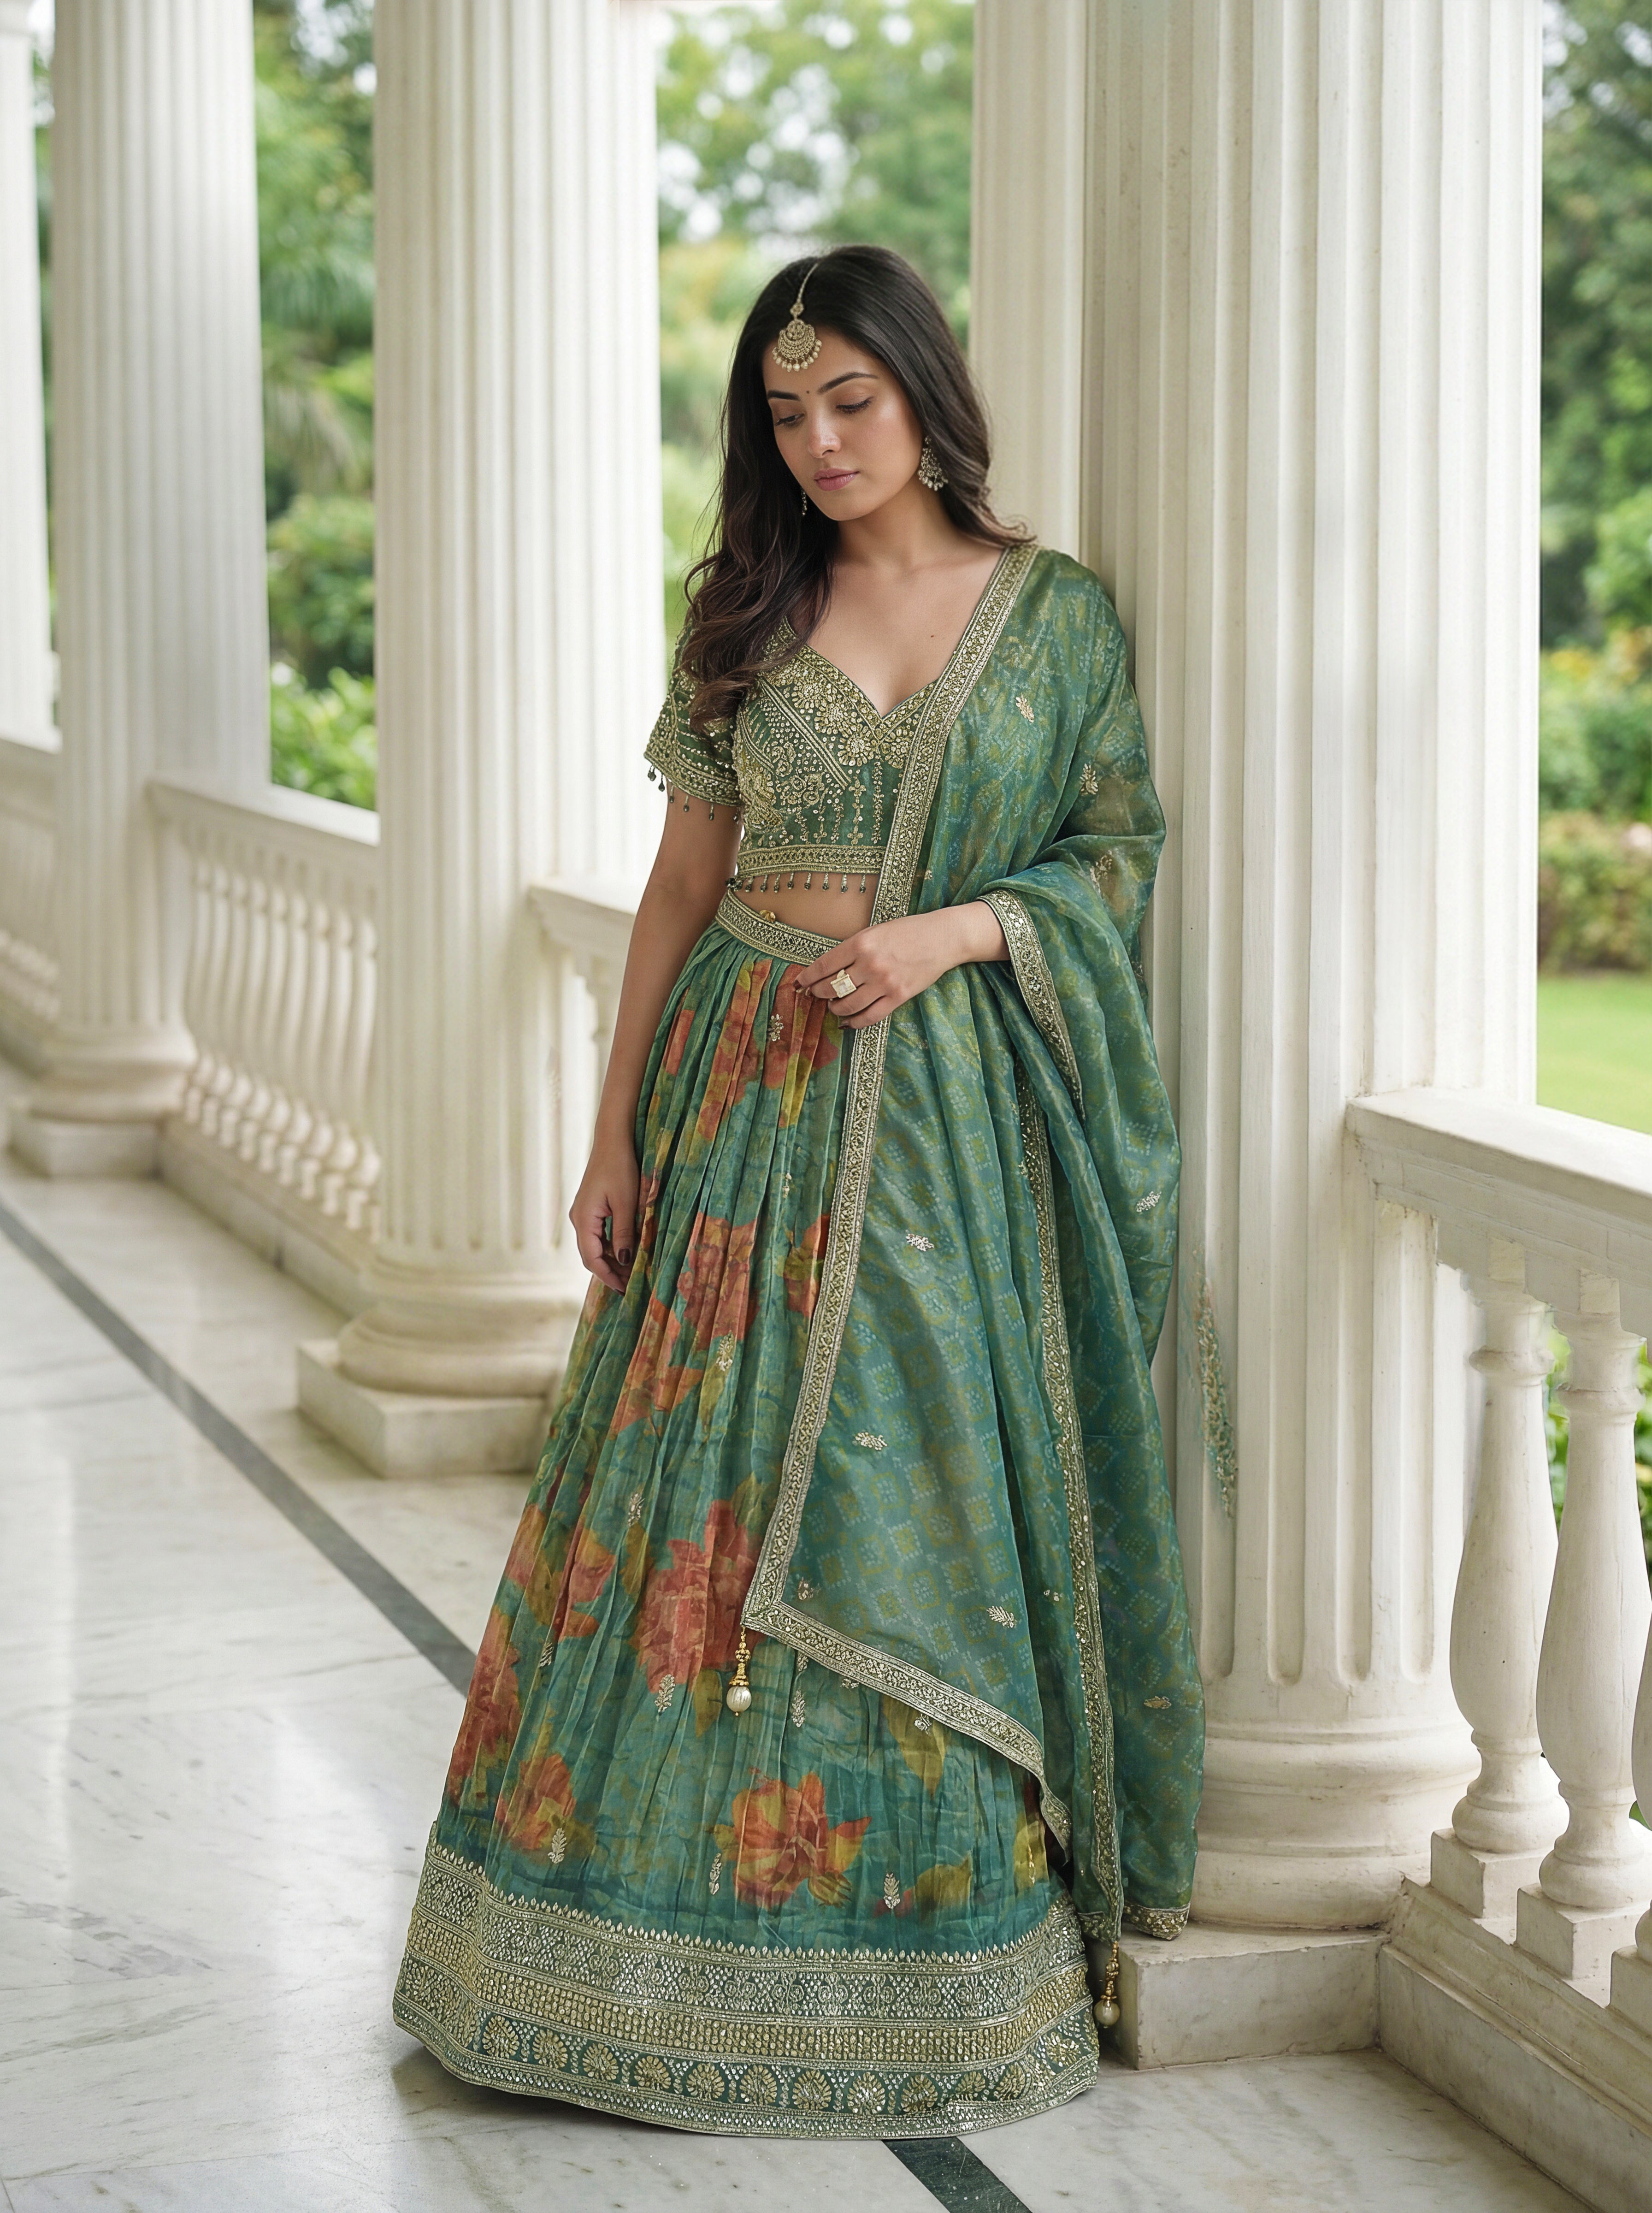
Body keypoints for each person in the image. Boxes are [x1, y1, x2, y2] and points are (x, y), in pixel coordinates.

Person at [394, 244, 1203, 2138]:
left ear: (924, 392)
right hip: (737, 1098)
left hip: (934, 1126)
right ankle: (599, 1967)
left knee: (909, 1492)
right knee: (682, 1510)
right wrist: (610, 1137)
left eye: (851, 399)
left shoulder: (1054, 614)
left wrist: (952, 937)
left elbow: (1112, 856)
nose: (822, 440)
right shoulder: (746, 612)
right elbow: (679, 894)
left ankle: (917, 1966)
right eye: (785, 412)